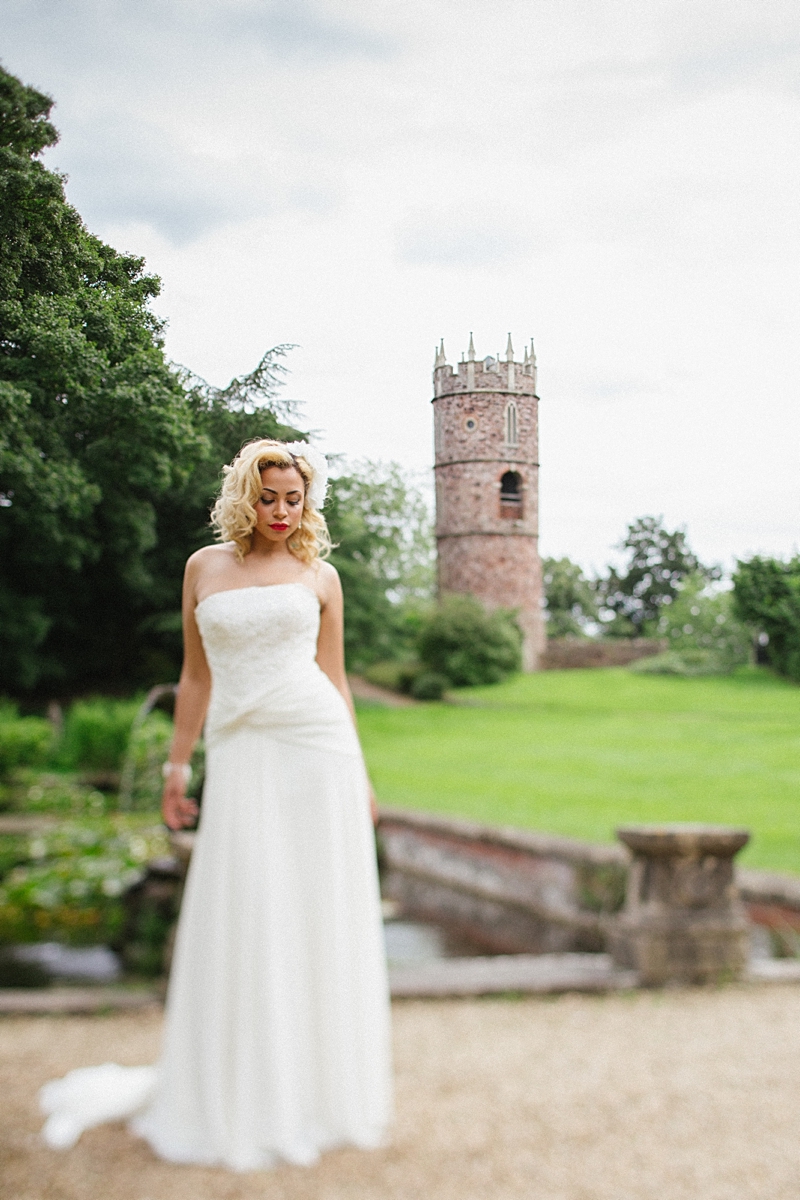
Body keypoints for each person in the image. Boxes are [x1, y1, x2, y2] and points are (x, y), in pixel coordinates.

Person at [40, 439, 393, 1170]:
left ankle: (319, 1093)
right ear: (244, 495)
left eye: (293, 498)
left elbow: (336, 678)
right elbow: (194, 676)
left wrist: (359, 773)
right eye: (269, 497)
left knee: (316, 906)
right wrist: (177, 763)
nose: (281, 511)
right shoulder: (203, 568)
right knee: (246, 904)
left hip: (316, 746)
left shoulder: (320, 577)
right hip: (237, 751)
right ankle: (239, 1087)